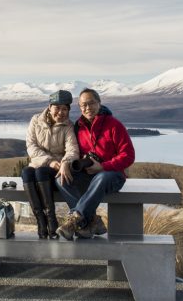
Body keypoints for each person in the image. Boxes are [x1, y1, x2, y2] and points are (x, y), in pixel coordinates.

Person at [55, 88, 135, 240]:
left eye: (91, 103)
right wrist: (65, 163)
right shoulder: (78, 127)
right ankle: (91, 221)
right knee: (60, 179)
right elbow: (73, 151)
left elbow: (129, 156)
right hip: (89, 176)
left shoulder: (114, 125)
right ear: (80, 107)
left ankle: (75, 221)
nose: (87, 108)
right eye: (83, 105)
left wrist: (103, 166)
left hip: (113, 176)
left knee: (102, 177)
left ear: (99, 103)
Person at [22, 90, 79, 239]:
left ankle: (51, 220)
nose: (61, 112)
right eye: (57, 108)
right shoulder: (36, 121)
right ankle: (41, 221)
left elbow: (72, 149)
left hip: (57, 171)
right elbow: (31, 146)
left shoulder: (68, 127)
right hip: (39, 165)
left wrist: (65, 162)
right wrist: (49, 161)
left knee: (40, 172)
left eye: (65, 109)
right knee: (27, 172)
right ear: (49, 107)